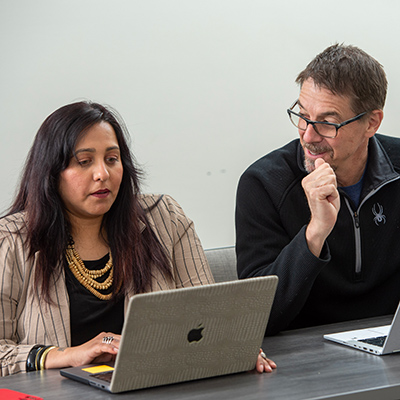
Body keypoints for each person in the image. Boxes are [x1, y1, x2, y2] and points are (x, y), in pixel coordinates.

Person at [0, 101, 276, 376]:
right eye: (84, 162)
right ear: (50, 173)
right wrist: (68, 354)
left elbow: (209, 314)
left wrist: (237, 344)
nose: (102, 174)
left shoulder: (164, 218)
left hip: (161, 386)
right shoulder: (11, 241)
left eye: (112, 159)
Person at [235, 43, 400, 336]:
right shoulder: (262, 184)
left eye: (328, 123)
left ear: (371, 123)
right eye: (302, 115)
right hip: (301, 360)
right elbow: (256, 317)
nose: (308, 136)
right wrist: (315, 233)